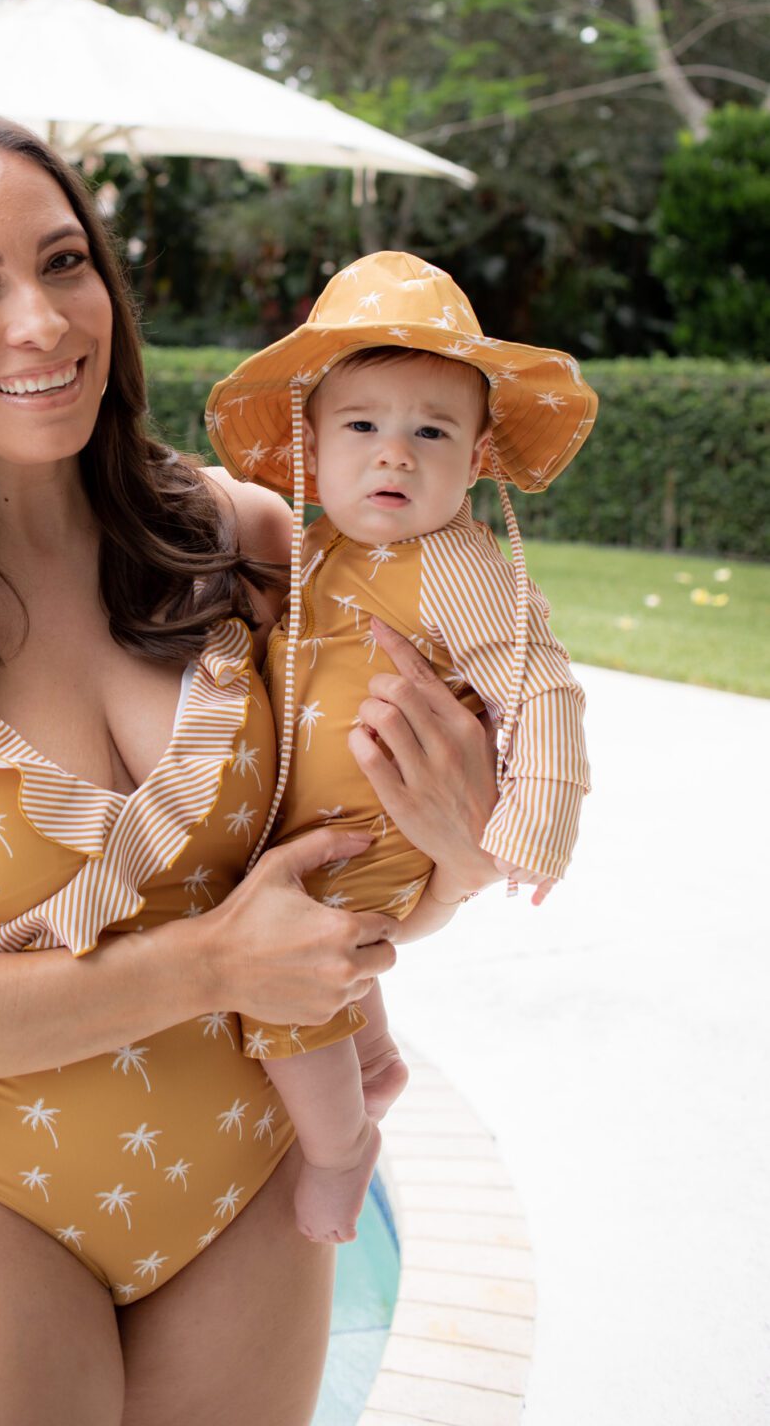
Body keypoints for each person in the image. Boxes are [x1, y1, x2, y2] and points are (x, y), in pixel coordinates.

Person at [0, 120, 504, 1426]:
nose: (40, 320)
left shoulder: (242, 544)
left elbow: (357, 880)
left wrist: (460, 863)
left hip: (252, 1181)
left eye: (66, 261)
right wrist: (207, 967)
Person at [206, 249, 596, 1244]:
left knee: (288, 991)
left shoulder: (452, 560)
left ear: (474, 461)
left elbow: (538, 679)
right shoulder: (327, 544)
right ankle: (372, 1058)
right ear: (313, 447)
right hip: (330, 826)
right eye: (363, 427)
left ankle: (342, 1151)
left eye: (430, 431)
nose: (394, 455)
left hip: (374, 832)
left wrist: (534, 817)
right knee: (325, 954)